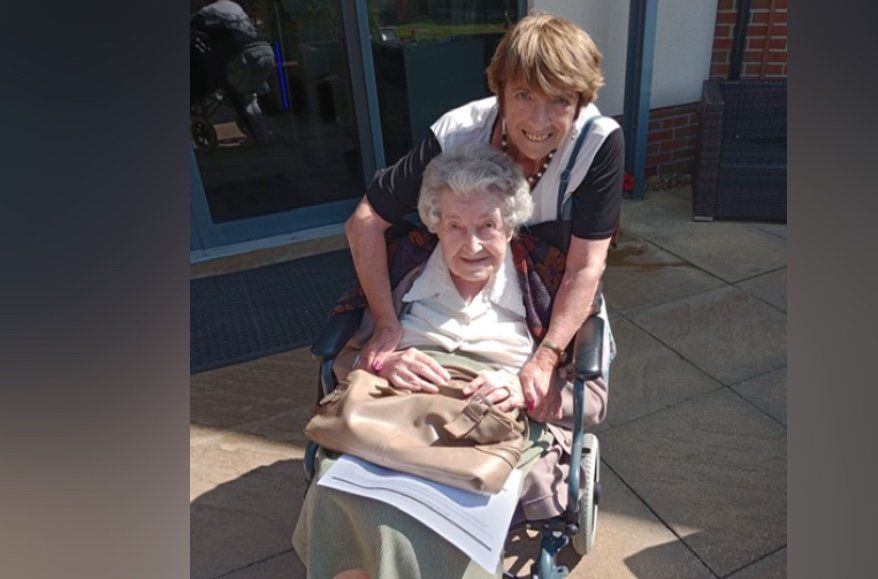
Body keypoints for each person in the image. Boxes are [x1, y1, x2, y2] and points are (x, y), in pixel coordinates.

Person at [293, 143, 608, 579]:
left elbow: (592, 399)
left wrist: (528, 389)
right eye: (456, 225)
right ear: (434, 224)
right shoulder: (404, 265)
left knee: (436, 523)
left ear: (511, 226)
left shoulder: (548, 278)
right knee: (338, 498)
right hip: (395, 411)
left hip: (488, 426)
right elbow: (342, 363)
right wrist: (382, 363)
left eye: (488, 225)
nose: (472, 244)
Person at [344, 12, 623, 427]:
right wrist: (385, 325)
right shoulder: (455, 134)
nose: (538, 122)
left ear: (580, 103)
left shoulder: (596, 144)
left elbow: (585, 266)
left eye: (560, 100)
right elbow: (365, 221)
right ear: (500, 92)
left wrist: (546, 356)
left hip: (541, 292)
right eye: (525, 95)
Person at [190, 0, 275, 144]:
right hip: (264, 53)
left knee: (238, 95)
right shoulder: (231, 8)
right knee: (247, 97)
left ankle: (261, 136)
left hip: (240, 60)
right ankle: (261, 131)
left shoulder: (203, 17)